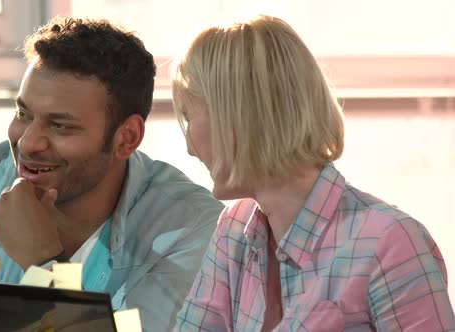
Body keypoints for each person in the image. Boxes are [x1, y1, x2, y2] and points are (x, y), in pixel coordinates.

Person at [0, 16, 224, 330]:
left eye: (60, 126)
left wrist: (43, 264)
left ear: (125, 138)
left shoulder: (191, 230)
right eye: (23, 114)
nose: (28, 142)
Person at [170, 14, 455, 331]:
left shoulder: (390, 243)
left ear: (237, 117)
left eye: (189, 115)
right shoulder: (234, 229)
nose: (189, 146)